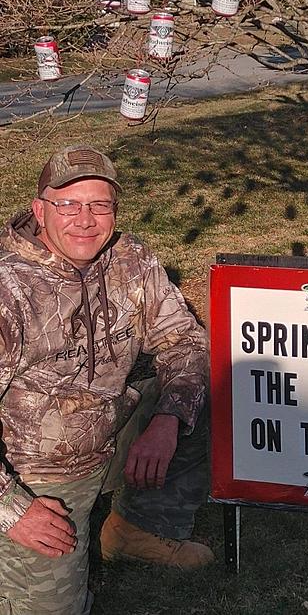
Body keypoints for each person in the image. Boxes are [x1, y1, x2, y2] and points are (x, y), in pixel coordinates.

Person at [0, 145, 212, 615]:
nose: (85, 219)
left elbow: (185, 341)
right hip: (33, 472)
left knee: (203, 394)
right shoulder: (9, 289)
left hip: (107, 429)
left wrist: (167, 422)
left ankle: (138, 529)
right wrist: (14, 509)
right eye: (69, 204)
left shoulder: (129, 258)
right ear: (39, 210)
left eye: (99, 205)